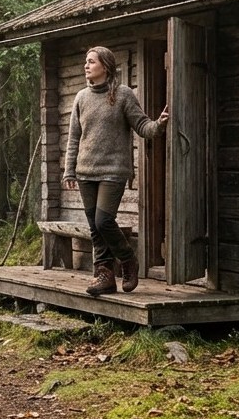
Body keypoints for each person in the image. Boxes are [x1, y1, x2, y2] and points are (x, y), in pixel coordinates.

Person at [62, 46, 169, 296]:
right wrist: (69, 170)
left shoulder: (123, 95)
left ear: (105, 67)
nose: (86, 66)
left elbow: (142, 125)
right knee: (94, 227)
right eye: (85, 62)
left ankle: (128, 260)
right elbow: (74, 138)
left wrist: (159, 125)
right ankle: (105, 276)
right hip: (85, 172)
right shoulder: (80, 97)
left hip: (113, 171)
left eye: (91, 62)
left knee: (103, 221)